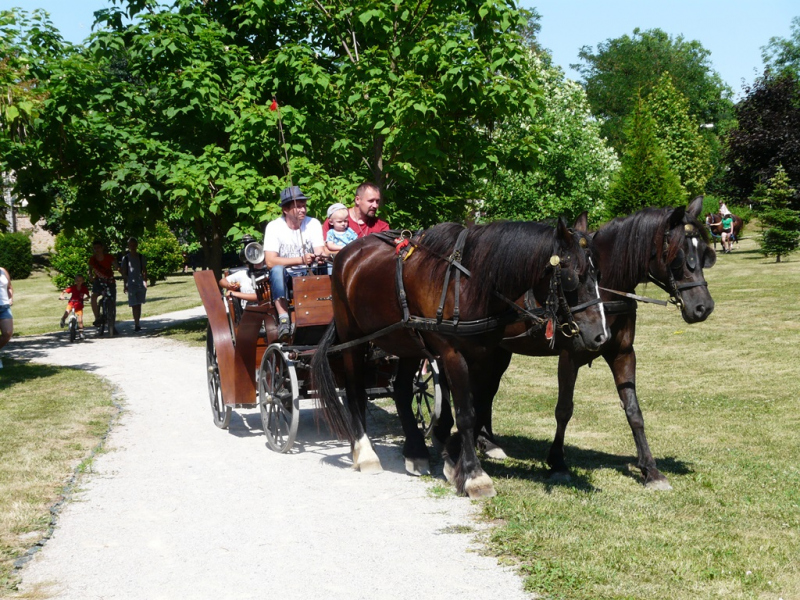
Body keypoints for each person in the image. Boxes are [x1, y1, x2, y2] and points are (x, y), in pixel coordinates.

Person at [264, 185, 327, 341]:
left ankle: (329, 312)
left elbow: (320, 249)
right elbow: (270, 261)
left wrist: (320, 256)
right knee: (277, 270)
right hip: (286, 277)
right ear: (286, 209)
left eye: (304, 206)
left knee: (328, 266)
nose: (303, 210)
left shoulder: (313, 223)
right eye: (298, 207)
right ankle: (284, 318)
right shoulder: (274, 227)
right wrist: (300, 260)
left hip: (309, 273)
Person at [322, 181, 390, 239]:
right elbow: (323, 250)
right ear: (357, 200)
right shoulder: (336, 219)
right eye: (371, 201)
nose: (375, 205)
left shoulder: (382, 228)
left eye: (377, 201)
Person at [120, 237, 148, 332]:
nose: (132, 247)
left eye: (134, 245)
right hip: (131, 284)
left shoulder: (140, 257)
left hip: (140, 283)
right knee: (134, 304)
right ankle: (136, 323)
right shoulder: (126, 258)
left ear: (136, 246)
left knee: (139, 304)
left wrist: (145, 282)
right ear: (128, 246)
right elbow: (124, 272)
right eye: (130, 245)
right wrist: (125, 284)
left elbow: (144, 270)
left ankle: (137, 322)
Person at [89, 240, 119, 327]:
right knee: (94, 296)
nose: (96, 250)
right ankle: (97, 317)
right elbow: (90, 269)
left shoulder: (109, 257)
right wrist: (90, 275)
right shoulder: (92, 259)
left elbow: (116, 266)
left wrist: (120, 270)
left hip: (110, 281)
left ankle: (112, 325)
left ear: (102, 248)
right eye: (95, 248)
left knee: (112, 302)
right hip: (98, 281)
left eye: (98, 247)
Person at [0, 266, 13, 369]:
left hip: (4, 306)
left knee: (7, 333)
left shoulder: (3, 271)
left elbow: (9, 286)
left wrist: (11, 298)